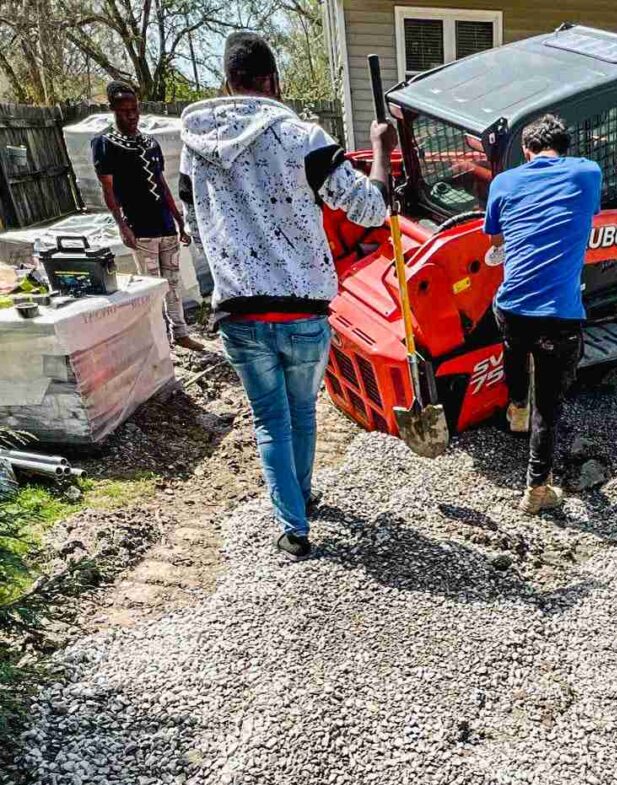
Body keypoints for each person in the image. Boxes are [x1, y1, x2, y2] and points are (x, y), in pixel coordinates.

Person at [180, 32, 395, 559]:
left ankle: (294, 521)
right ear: (273, 81)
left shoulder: (195, 147)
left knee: (269, 419)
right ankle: (298, 509)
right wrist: (382, 151)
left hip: (239, 309)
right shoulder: (303, 138)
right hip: (303, 307)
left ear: (228, 82)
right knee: (301, 411)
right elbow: (372, 209)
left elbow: (193, 221)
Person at [484, 114, 602, 515]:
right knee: (548, 407)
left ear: (525, 151)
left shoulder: (503, 182)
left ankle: (516, 404)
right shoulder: (588, 174)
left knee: (514, 343)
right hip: (560, 317)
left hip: (511, 308)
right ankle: (537, 489)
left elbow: (495, 236)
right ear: (566, 148)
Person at [92, 81, 203, 351]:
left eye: (135, 110)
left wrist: (179, 220)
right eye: (124, 111)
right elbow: (108, 190)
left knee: (174, 282)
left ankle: (180, 332)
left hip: (165, 225)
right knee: (153, 287)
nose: (131, 116)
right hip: (140, 229)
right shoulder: (104, 144)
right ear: (113, 110)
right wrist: (122, 227)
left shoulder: (149, 143)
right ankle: (160, 338)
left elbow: (162, 183)